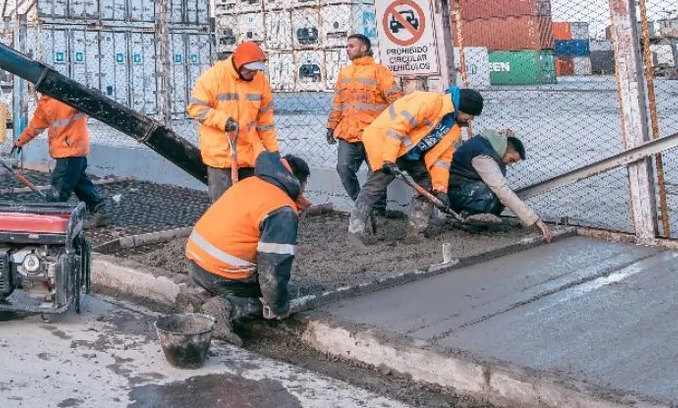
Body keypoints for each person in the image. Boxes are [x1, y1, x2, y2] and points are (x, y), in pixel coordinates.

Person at [184, 152, 311, 344]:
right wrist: (278, 306)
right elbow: (274, 266)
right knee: (271, 293)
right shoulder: (281, 208)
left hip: (195, 263)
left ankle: (203, 296)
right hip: (222, 274)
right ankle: (225, 307)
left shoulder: (249, 183)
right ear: (300, 183)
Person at [348, 88, 484, 244]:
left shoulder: (453, 128)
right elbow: (397, 128)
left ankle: (415, 234)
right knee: (374, 188)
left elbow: (442, 159)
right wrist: (389, 159)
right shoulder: (428, 102)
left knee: (428, 186)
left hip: (412, 154)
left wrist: (440, 190)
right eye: (470, 115)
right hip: (386, 144)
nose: (470, 119)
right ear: (461, 109)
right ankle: (355, 233)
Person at [187, 41, 280, 201]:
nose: (254, 74)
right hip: (222, 156)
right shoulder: (213, 77)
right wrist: (223, 121)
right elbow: (196, 107)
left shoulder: (260, 82)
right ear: (239, 64)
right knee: (223, 206)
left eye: (257, 70)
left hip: (250, 155)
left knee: (251, 204)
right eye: (251, 70)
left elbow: (265, 122)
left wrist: (273, 151)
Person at [326, 34, 402, 211]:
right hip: (348, 133)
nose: (347, 49)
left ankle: (378, 212)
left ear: (364, 48)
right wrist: (331, 126)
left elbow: (395, 99)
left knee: (376, 173)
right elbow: (338, 103)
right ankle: (362, 206)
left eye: (351, 46)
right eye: (347, 46)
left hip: (373, 133)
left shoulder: (379, 71)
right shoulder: (344, 73)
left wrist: (395, 127)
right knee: (343, 168)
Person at [11, 94, 108, 225]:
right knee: (80, 184)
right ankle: (99, 211)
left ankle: (50, 220)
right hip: (72, 150)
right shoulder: (47, 101)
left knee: (58, 190)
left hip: (69, 151)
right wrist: (20, 141)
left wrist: (19, 142)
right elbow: (35, 127)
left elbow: (91, 104)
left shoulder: (66, 96)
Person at [449, 130, 554, 243]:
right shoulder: (484, 156)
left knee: (498, 197)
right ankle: (465, 219)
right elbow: (501, 190)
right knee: (492, 194)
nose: (509, 164)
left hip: (464, 186)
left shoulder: (493, 143)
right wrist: (535, 220)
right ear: (506, 149)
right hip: (454, 191)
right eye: (511, 160)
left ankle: (479, 220)